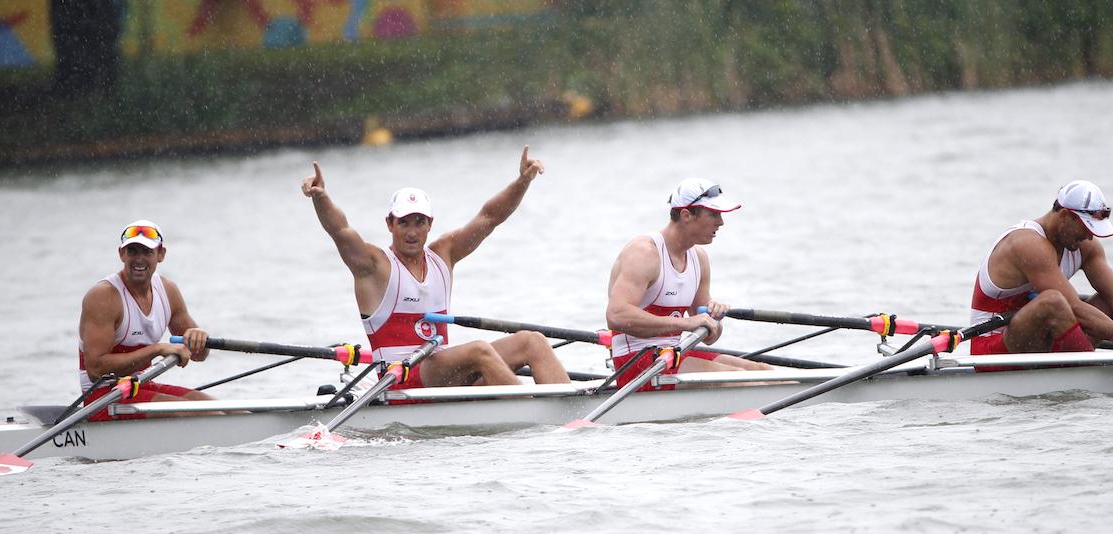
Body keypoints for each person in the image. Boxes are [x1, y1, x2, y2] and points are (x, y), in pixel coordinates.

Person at [300, 146, 570, 388]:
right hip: (401, 379)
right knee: (479, 351)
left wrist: (522, 182)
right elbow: (341, 230)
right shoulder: (374, 266)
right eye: (404, 223)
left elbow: (490, 218)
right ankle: (533, 412)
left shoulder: (444, 254)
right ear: (389, 224)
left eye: (419, 222)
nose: (412, 232)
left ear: (430, 224)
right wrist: (320, 197)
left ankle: (573, 413)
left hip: (444, 372)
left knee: (532, 341)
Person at [969, 179, 1113, 361]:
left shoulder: (1085, 246)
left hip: (1041, 339)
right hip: (995, 346)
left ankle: (1092, 360)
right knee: (1053, 302)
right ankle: (1087, 368)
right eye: (1087, 227)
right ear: (1065, 216)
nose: (1090, 236)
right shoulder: (1027, 243)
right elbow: (1074, 307)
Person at [604, 177, 771, 391]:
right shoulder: (644, 253)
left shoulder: (699, 258)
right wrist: (685, 323)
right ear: (686, 215)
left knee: (763, 371)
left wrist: (714, 319)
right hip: (635, 362)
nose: (721, 222)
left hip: (671, 354)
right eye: (713, 214)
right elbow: (616, 316)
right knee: (741, 381)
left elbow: (709, 338)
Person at [79, 220, 213, 419]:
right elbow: (96, 370)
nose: (139, 259)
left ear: (161, 254)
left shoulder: (168, 291)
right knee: (197, 413)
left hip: (139, 386)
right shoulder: (104, 296)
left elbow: (199, 355)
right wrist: (157, 349)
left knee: (218, 408)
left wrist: (200, 337)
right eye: (132, 251)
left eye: (147, 252)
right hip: (102, 397)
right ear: (122, 254)